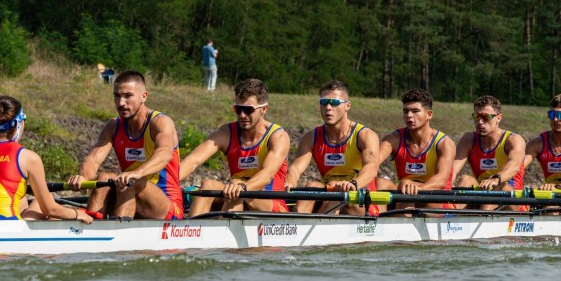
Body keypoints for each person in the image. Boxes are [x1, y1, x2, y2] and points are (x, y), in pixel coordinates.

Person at [66, 71, 184, 220]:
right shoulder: (113, 126)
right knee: (105, 177)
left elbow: (164, 153)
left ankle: (116, 234)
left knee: (130, 182)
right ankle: (91, 228)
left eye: (128, 96)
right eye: (117, 96)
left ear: (144, 96)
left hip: (168, 206)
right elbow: (93, 160)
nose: (121, 103)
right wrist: (82, 178)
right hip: (130, 191)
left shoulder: (160, 122)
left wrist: (138, 172)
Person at [0, 95, 92, 223]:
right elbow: (50, 209)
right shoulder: (28, 157)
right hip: (7, 227)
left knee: (22, 200)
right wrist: (78, 214)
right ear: (19, 124)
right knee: (47, 201)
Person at [181, 78, 290, 215]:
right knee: (208, 184)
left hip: (271, 204)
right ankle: (192, 231)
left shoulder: (278, 136)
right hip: (238, 194)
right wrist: (167, 183)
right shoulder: (226, 133)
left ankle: (222, 231)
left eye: (248, 110)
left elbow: (267, 175)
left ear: (264, 109)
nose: (242, 115)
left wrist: (242, 187)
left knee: (236, 187)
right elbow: (193, 161)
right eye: (238, 109)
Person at [286, 80, 381, 216]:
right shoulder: (311, 137)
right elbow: (295, 168)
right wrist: (290, 181)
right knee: (311, 187)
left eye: (334, 103)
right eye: (324, 102)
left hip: (360, 198)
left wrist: (353, 183)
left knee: (337, 194)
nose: (328, 108)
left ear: (347, 105)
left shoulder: (365, 135)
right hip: (329, 193)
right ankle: (298, 224)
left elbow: (372, 168)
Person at [377, 89, 456, 209]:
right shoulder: (393, 139)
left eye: (415, 111)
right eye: (406, 111)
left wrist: (415, 188)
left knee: (406, 188)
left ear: (429, 114)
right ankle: (376, 223)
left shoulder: (444, 143)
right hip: (406, 194)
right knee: (380, 183)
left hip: (439, 199)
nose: (409, 115)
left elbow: (441, 181)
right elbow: (371, 164)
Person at [452, 95, 526, 211]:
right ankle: (452, 218)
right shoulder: (468, 140)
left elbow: (514, 166)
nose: (480, 122)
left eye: (486, 117)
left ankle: (482, 217)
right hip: (483, 194)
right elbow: (453, 170)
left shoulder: (513, 140)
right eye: (477, 116)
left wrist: (495, 179)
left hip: (513, 199)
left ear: (498, 118)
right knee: (465, 179)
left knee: (499, 186)